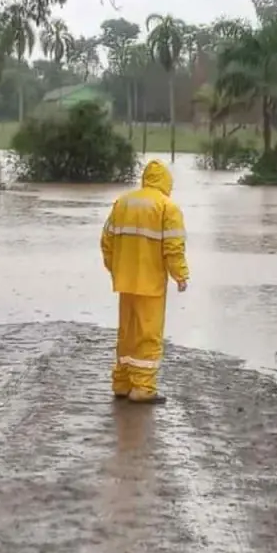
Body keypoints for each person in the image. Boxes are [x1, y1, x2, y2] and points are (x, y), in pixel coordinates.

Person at [100, 159, 189, 404]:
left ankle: (122, 383)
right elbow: (174, 248)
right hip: (151, 284)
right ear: (166, 182)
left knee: (126, 333)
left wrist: (116, 269)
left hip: (125, 281)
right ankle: (143, 388)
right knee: (148, 334)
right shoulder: (167, 207)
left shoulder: (123, 202)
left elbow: (106, 242)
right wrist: (180, 275)